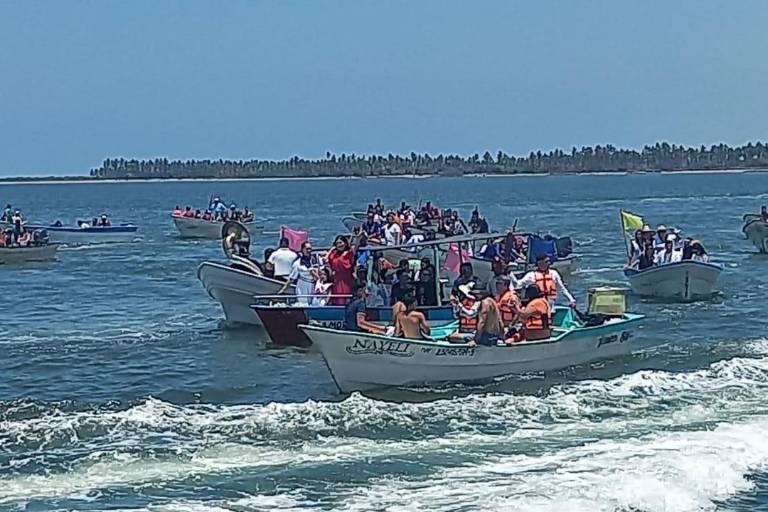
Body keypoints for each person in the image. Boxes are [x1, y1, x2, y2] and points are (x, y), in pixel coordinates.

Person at [511, 254, 576, 309]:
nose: (549, 263)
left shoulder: (554, 273)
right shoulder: (531, 275)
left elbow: (562, 289)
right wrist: (511, 275)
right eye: (546, 261)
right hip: (537, 306)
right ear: (540, 263)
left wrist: (571, 300)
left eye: (549, 261)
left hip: (551, 305)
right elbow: (517, 285)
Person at [326, 235, 357, 305]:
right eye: (337, 243)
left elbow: (355, 251)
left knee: (346, 299)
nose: (339, 245)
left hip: (346, 279)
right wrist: (331, 249)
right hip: (337, 280)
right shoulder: (334, 254)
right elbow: (326, 259)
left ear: (345, 243)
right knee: (337, 299)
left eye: (340, 243)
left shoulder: (349, 253)